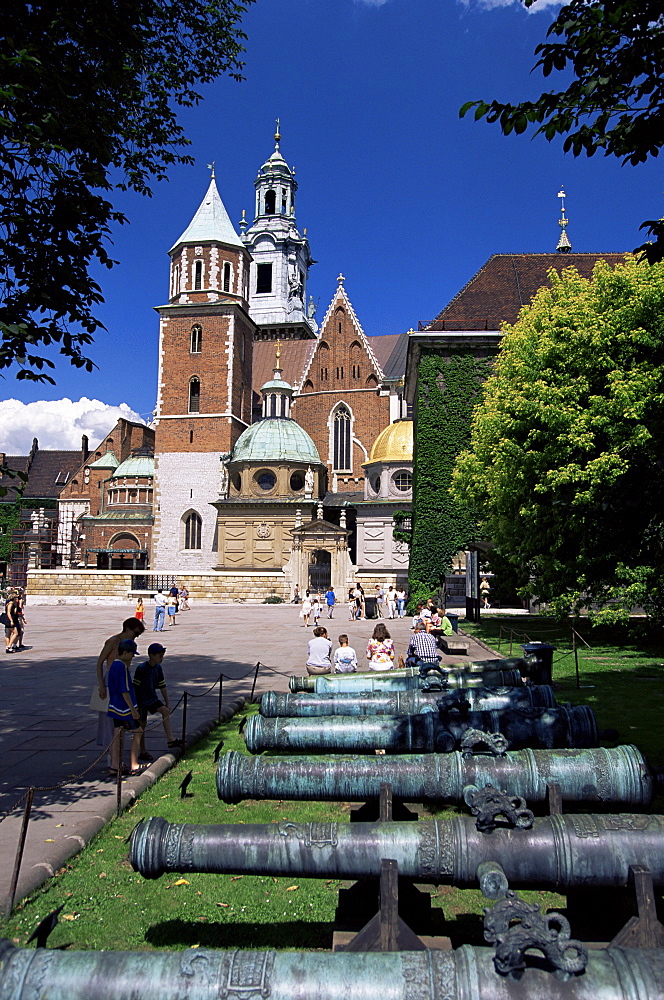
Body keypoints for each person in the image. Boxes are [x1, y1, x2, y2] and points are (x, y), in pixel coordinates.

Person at [95, 616, 146, 759]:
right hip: (111, 681)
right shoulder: (112, 642)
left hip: (123, 679)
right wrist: (101, 685)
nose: (135, 637)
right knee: (111, 720)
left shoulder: (129, 644)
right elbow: (99, 663)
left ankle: (117, 758)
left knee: (121, 721)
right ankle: (112, 758)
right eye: (135, 634)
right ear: (128, 629)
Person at [133, 642, 182, 758]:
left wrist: (167, 701)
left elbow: (162, 685)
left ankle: (170, 739)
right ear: (151, 655)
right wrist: (135, 705)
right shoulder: (142, 668)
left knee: (165, 711)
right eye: (159, 656)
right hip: (142, 700)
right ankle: (142, 750)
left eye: (162, 655)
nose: (162, 658)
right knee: (142, 724)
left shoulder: (158, 668)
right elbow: (135, 687)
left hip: (152, 698)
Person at [107, 639, 145, 776]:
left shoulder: (113, 665)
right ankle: (134, 764)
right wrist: (133, 710)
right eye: (131, 653)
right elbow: (125, 690)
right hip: (124, 709)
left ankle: (114, 764)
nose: (133, 657)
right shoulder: (121, 666)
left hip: (114, 706)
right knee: (138, 731)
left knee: (117, 734)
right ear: (125, 652)